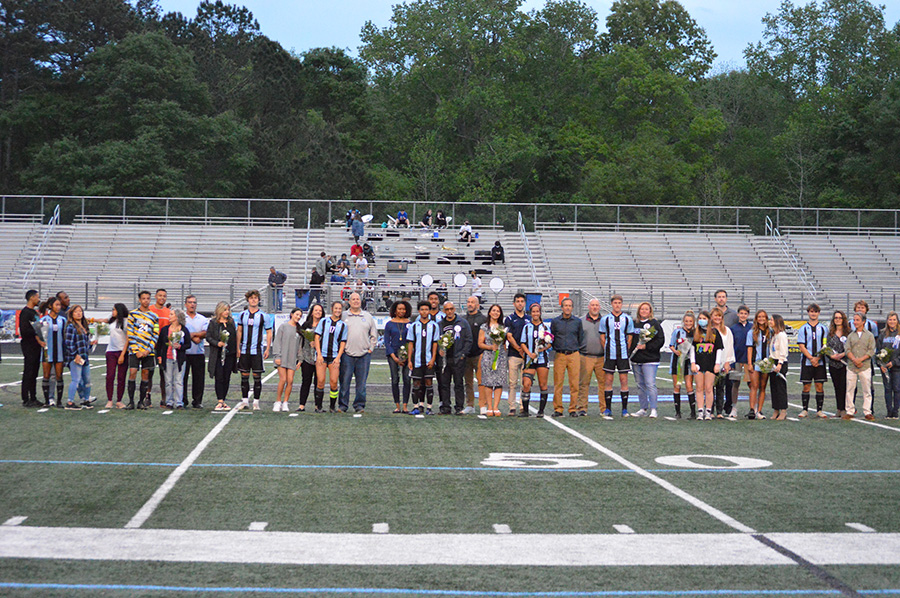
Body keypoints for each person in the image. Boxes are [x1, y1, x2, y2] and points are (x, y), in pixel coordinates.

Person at [235, 289, 274, 411]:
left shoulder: (264, 316)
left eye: (255, 298)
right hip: (245, 351)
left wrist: (268, 348)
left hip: (257, 351)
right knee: (244, 376)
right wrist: (238, 348)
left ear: (259, 300)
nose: (253, 300)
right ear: (248, 299)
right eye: (251, 298)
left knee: (257, 377)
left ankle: (256, 402)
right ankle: (245, 401)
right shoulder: (242, 315)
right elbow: (239, 331)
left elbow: (269, 332)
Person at [340, 292, 378, 413]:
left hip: (363, 355)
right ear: (349, 301)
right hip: (347, 354)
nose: (356, 301)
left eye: (358, 299)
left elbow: (374, 334)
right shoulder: (343, 315)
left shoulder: (367, 316)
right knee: (345, 382)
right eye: (353, 299)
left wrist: (370, 349)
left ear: (360, 301)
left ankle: (359, 405)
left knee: (361, 383)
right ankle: (342, 405)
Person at [599, 294, 635, 417]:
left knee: (624, 380)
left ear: (622, 304)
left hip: (623, 354)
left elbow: (630, 336)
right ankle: (608, 409)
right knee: (608, 380)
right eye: (615, 303)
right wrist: (607, 349)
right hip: (610, 354)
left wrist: (626, 348)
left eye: (619, 303)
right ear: (612, 304)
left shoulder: (627, 319)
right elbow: (602, 336)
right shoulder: (606, 319)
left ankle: (624, 409)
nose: (617, 305)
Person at [125, 291, 159, 410]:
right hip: (135, 351)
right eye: (143, 298)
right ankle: (130, 401)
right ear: (139, 300)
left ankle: (141, 401)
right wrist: (136, 350)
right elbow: (130, 333)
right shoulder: (133, 314)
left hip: (148, 351)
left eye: (148, 298)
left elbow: (155, 334)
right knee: (133, 372)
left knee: (145, 374)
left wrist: (148, 350)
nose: (146, 300)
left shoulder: (154, 316)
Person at [437, 301, 472, 415]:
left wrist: (463, 354)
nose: (449, 311)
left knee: (458, 384)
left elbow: (468, 340)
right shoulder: (440, 324)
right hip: (445, 359)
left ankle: (459, 407)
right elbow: (436, 340)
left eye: (451, 309)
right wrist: (439, 350)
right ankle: (446, 407)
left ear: (454, 309)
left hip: (458, 358)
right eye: (447, 309)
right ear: (443, 310)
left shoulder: (462, 323)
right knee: (444, 384)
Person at [550, 298, 584, 417]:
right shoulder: (555, 321)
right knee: (558, 383)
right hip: (560, 355)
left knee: (574, 383)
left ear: (572, 307)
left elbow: (581, 337)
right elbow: (552, 337)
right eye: (565, 305)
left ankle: (572, 409)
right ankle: (558, 408)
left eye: (570, 305)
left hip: (574, 354)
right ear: (562, 307)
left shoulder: (577, 322)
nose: (568, 308)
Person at [631, 301, 664, 419]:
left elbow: (660, 340)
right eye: (642, 309)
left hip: (650, 359)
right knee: (640, 385)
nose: (644, 311)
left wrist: (646, 347)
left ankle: (654, 409)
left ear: (650, 311)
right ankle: (643, 408)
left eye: (646, 309)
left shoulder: (654, 324)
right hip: (636, 359)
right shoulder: (634, 323)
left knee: (650, 384)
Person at [689, 309, 724, 421]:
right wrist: (693, 363)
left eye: (704, 319)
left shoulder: (714, 332)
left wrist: (717, 364)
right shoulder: (696, 332)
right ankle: (700, 411)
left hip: (711, 363)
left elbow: (719, 349)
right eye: (700, 319)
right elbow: (692, 349)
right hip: (699, 364)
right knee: (699, 388)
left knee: (709, 388)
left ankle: (708, 411)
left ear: (708, 320)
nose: (702, 321)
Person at [408, 300, 441, 415]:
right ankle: (416, 407)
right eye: (422, 309)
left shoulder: (434, 326)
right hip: (416, 360)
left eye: (426, 309)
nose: (424, 311)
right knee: (416, 383)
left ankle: (429, 408)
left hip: (428, 360)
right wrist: (409, 360)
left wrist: (433, 359)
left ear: (429, 311)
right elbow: (411, 344)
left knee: (428, 382)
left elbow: (435, 343)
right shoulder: (413, 326)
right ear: (419, 311)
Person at [796, 303, 829, 418]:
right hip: (807, 362)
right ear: (808, 313)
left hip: (820, 362)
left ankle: (819, 410)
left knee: (819, 386)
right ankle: (805, 409)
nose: (813, 314)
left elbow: (825, 345)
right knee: (806, 386)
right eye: (811, 311)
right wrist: (811, 358)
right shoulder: (803, 328)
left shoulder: (824, 328)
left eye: (815, 312)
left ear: (818, 313)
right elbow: (801, 345)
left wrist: (818, 358)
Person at [315, 301, 348, 412]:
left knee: (334, 382)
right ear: (332, 309)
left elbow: (343, 342)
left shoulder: (343, 325)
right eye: (336, 308)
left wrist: (338, 357)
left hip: (334, 357)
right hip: (322, 356)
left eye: (340, 309)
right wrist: (318, 354)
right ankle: (318, 406)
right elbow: (316, 337)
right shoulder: (324, 321)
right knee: (320, 381)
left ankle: (332, 406)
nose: (338, 310)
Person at [520, 302, 551, 417]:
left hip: (542, 360)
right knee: (526, 384)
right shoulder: (527, 327)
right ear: (530, 313)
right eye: (533, 312)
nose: (535, 313)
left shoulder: (546, 327)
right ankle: (526, 411)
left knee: (543, 385)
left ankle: (541, 411)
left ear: (540, 313)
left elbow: (550, 343)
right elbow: (523, 343)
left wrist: (541, 350)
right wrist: (529, 353)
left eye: (537, 311)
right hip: (529, 360)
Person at [844, 311, 877, 420]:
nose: (855, 322)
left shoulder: (869, 335)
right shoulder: (850, 335)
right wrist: (854, 359)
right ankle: (849, 410)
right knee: (850, 389)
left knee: (867, 390)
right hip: (852, 366)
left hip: (865, 366)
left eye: (857, 320)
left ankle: (867, 411)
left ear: (863, 321)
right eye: (854, 320)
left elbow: (871, 350)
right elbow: (847, 349)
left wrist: (861, 360)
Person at [63, 304, 97, 410]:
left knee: (87, 380)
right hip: (75, 357)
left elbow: (84, 342)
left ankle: (85, 400)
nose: (79, 313)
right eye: (76, 311)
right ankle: (70, 402)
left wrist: (91, 343)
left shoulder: (83, 326)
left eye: (80, 311)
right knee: (76, 379)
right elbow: (68, 343)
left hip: (84, 356)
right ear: (71, 314)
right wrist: (75, 355)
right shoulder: (71, 326)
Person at [157, 310, 192, 410]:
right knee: (168, 381)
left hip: (180, 359)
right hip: (167, 358)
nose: (169, 316)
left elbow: (188, 344)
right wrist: (159, 356)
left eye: (171, 314)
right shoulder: (165, 330)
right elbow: (159, 345)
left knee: (178, 381)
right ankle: (169, 401)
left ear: (177, 317)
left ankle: (179, 402)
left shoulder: (184, 330)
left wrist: (180, 346)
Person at [207, 302, 237, 411]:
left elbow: (234, 336)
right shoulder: (214, 323)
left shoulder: (231, 322)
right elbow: (208, 337)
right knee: (219, 377)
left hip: (230, 354)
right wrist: (217, 343)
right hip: (218, 355)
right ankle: (220, 400)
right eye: (225, 310)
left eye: (228, 310)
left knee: (226, 377)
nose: (227, 312)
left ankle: (223, 399)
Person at [478, 303, 508, 416]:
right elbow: (480, 343)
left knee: (499, 382)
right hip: (488, 356)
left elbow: (504, 343)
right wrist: (491, 347)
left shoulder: (503, 327)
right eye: (494, 310)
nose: (496, 313)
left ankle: (496, 407)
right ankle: (489, 407)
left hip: (500, 357)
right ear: (490, 312)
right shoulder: (484, 327)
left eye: (498, 311)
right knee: (489, 382)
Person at [272, 308, 303, 412]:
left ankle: (285, 402)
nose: (298, 317)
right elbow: (277, 342)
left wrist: (300, 359)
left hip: (292, 359)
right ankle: (277, 401)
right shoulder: (283, 327)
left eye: (300, 315)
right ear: (291, 314)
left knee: (290, 381)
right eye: (296, 314)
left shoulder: (299, 330)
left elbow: (299, 347)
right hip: (282, 358)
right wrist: (277, 356)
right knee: (283, 379)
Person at [579, 299, 605, 417]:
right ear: (588, 307)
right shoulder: (581, 321)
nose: (595, 307)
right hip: (585, 356)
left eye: (597, 305)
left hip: (602, 357)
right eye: (592, 305)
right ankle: (582, 408)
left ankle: (604, 408)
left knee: (604, 384)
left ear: (600, 307)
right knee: (584, 383)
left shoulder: (605, 321)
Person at [385, 300, 412, 413]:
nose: (401, 311)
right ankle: (397, 405)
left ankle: (405, 406)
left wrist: (407, 357)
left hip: (408, 356)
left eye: (403, 309)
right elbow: (387, 342)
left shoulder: (410, 323)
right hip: (393, 355)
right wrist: (395, 357)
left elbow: (412, 340)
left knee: (407, 379)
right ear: (395, 310)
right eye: (399, 309)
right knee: (395, 380)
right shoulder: (389, 324)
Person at [504, 293, 529, 416]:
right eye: (518, 301)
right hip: (514, 354)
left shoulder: (529, 318)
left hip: (527, 355)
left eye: (522, 301)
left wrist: (525, 351)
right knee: (512, 382)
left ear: (524, 303)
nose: (520, 303)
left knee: (525, 382)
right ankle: (512, 406)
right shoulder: (509, 319)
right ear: (514, 303)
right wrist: (519, 348)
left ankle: (522, 405)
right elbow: (509, 336)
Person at [39, 296, 66, 407]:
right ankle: (47, 401)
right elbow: (38, 334)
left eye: (59, 305)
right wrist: (40, 342)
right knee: (46, 375)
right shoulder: (43, 320)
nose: (58, 307)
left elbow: (64, 335)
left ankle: (59, 401)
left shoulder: (62, 320)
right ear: (50, 306)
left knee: (59, 376)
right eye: (56, 305)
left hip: (59, 351)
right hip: (47, 352)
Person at [669, 311, 696, 419]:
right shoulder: (678, 332)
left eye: (690, 321)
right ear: (683, 322)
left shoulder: (695, 333)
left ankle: (693, 412)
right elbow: (671, 345)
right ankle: (678, 412)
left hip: (689, 361)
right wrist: (675, 351)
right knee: (677, 385)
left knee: (689, 386)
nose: (688, 323)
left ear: (693, 322)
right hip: (678, 361)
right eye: (686, 321)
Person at [726, 305, 753, 419]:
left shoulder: (752, 327)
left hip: (748, 360)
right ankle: (734, 407)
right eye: (741, 313)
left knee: (751, 384)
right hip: (736, 359)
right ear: (738, 314)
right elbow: (730, 345)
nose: (743, 315)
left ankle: (753, 407)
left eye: (745, 314)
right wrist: (731, 362)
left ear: (748, 315)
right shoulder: (733, 328)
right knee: (735, 384)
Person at [19, 290, 44, 408]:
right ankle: (26, 398)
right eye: (37, 297)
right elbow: (24, 330)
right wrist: (36, 332)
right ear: (32, 298)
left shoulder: (34, 312)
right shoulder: (25, 312)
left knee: (34, 372)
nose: (38, 299)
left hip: (36, 345)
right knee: (28, 372)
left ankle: (33, 397)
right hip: (29, 345)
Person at [462, 295, 487, 414]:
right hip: (466, 355)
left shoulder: (483, 319)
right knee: (468, 382)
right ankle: (470, 405)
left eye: (472, 302)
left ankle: (483, 405)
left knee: (481, 381)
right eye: (468, 302)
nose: (470, 304)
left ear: (477, 305)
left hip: (479, 354)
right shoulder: (463, 319)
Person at [182, 295, 208, 409]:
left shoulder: (202, 319)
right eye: (190, 302)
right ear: (185, 304)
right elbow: (180, 331)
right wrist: (193, 336)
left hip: (198, 353)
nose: (192, 304)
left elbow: (205, 333)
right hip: (184, 352)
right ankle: (183, 399)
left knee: (198, 378)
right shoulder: (181, 318)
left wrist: (191, 335)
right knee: (182, 378)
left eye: (194, 302)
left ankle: (197, 400)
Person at [854, 300, 879, 412]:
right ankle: (851, 408)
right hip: (853, 360)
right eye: (858, 307)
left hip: (867, 360)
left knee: (869, 385)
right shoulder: (850, 323)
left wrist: (867, 356)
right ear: (855, 310)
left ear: (866, 310)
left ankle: (870, 408)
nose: (860, 309)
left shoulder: (872, 325)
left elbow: (875, 342)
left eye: (862, 308)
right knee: (851, 386)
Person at [297, 304, 323, 412]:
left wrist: (317, 343)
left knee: (319, 382)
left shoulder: (324, 324)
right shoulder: (306, 325)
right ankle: (302, 405)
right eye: (316, 310)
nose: (318, 312)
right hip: (307, 357)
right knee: (306, 381)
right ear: (312, 312)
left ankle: (318, 406)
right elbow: (301, 341)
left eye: (320, 311)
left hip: (319, 358)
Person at [746, 309, 771, 420]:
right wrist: (750, 364)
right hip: (756, 362)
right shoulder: (752, 332)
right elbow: (749, 349)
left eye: (763, 317)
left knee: (763, 386)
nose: (761, 319)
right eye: (759, 317)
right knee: (754, 386)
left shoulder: (770, 331)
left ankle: (759, 410)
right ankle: (752, 409)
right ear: (756, 319)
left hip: (766, 363)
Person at [149, 289, 171, 408]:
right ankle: (147, 397)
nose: (162, 298)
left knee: (164, 373)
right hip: (152, 345)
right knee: (149, 371)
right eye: (160, 295)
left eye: (164, 296)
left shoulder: (168, 312)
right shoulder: (150, 310)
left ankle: (164, 398)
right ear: (156, 297)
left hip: (163, 347)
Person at [104, 303, 129, 409]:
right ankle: (109, 399)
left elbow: (128, 339)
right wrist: (91, 320)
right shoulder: (112, 320)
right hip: (111, 351)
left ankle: (119, 400)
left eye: (114, 310)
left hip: (122, 351)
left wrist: (122, 354)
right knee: (110, 376)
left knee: (121, 377)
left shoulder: (126, 322)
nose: (112, 311)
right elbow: (103, 321)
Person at [826, 310, 851, 418]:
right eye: (836, 318)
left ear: (843, 319)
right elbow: (827, 348)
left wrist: (843, 354)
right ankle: (838, 409)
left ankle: (845, 408)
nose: (837, 319)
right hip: (833, 364)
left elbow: (852, 347)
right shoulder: (830, 333)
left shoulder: (848, 333)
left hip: (845, 363)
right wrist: (831, 356)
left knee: (844, 387)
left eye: (840, 318)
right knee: (837, 387)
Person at [711, 307, 734, 419]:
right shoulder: (708, 330)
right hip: (710, 362)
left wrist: (728, 362)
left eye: (719, 316)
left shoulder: (727, 331)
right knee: (709, 388)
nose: (717, 318)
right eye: (715, 315)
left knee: (721, 387)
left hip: (723, 362)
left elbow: (730, 347)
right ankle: (709, 410)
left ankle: (719, 411)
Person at [877, 312, 900, 419]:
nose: (892, 322)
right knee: (887, 389)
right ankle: (889, 411)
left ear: (897, 321)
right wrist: (881, 364)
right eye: (890, 319)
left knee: (897, 388)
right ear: (887, 321)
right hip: (885, 367)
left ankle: (895, 411)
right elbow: (877, 351)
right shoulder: (882, 334)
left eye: (894, 319)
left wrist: (894, 362)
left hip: (897, 367)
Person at [768, 314, 790, 420]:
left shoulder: (782, 335)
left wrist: (780, 363)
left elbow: (783, 351)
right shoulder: (774, 335)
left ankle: (783, 410)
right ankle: (776, 409)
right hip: (773, 362)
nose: (770, 321)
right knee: (774, 387)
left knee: (780, 387)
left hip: (780, 362)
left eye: (772, 320)